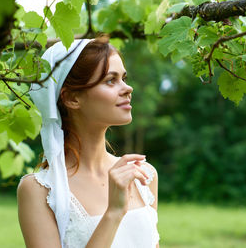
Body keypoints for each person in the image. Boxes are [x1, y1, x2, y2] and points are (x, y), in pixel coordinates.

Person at [17, 37, 160, 248]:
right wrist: (113, 213)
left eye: (124, 78)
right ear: (72, 98)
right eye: (110, 80)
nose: (127, 88)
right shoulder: (39, 190)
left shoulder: (143, 175)